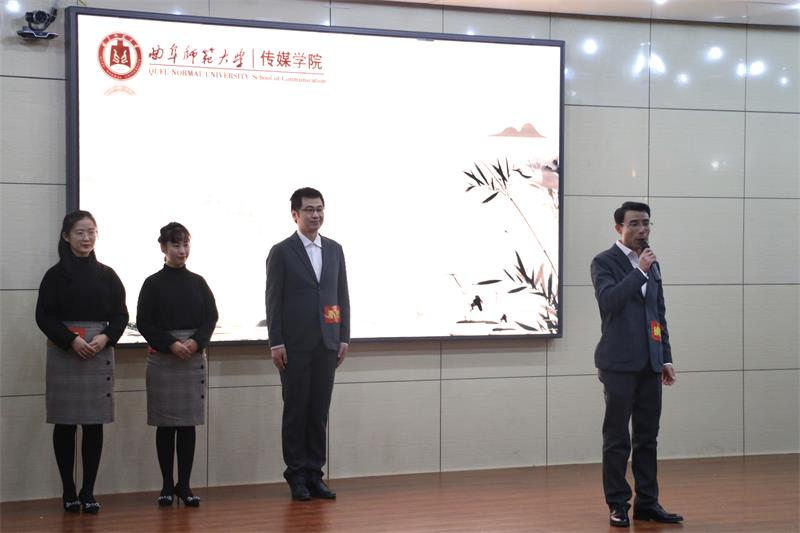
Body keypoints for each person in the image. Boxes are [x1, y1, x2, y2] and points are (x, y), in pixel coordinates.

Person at [590, 201, 683, 527]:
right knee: (617, 439)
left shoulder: (652, 263)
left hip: (649, 365)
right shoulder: (604, 262)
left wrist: (665, 357)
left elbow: (658, 314)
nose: (642, 230)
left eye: (646, 223)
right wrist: (639, 271)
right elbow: (609, 301)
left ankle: (647, 503)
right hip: (618, 364)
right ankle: (618, 504)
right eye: (634, 224)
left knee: (647, 438)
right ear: (619, 228)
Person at [35, 210, 129, 514]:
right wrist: (71, 340)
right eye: (80, 232)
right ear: (66, 236)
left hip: (98, 352)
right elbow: (43, 316)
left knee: (93, 423)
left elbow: (121, 316)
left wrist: (105, 337)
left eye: (91, 232)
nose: (86, 238)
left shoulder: (107, 275)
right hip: (65, 352)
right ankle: (68, 491)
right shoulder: (54, 276)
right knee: (64, 424)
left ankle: (88, 491)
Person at [265, 187, 350, 501]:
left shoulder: (335, 249)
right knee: (296, 410)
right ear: (295, 214)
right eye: (309, 210)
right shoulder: (281, 251)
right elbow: (273, 300)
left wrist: (343, 336)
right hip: (294, 346)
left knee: (318, 411)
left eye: (319, 209)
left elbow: (340, 295)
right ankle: (296, 476)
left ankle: (316, 474)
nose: (316, 215)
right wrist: (276, 342)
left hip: (327, 343)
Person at [137, 222, 218, 507]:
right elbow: (144, 322)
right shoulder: (152, 283)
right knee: (165, 425)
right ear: (163, 247)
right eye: (175, 245)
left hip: (192, 358)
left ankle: (184, 485)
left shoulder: (198, 282)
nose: (182, 250)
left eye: (185, 244)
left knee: (187, 425)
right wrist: (171, 344)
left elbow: (211, 318)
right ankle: (166, 486)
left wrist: (195, 342)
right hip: (163, 358)